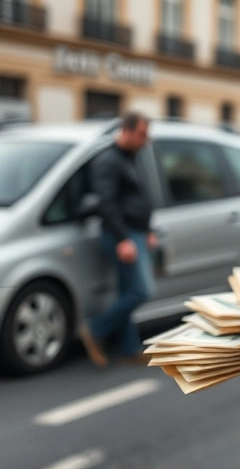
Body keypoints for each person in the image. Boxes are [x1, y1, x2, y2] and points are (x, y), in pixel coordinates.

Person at [79, 112, 156, 367]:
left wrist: (147, 229)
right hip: (121, 235)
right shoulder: (108, 161)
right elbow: (106, 203)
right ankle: (95, 330)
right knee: (140, 291)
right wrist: (123, 239)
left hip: (134, 233)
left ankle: (129, 348)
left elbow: (135, 198)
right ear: (127, 130)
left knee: (127, 290)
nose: (146, 140)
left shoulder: (129, 157)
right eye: (142, 134)